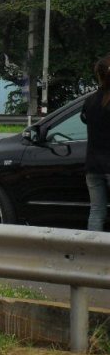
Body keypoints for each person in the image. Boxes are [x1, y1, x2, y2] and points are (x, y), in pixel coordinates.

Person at [81, 54, 110, 232]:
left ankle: (92, 254)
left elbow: (85, 120)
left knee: (97, 211)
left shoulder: (89, 101)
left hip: (93, 166)